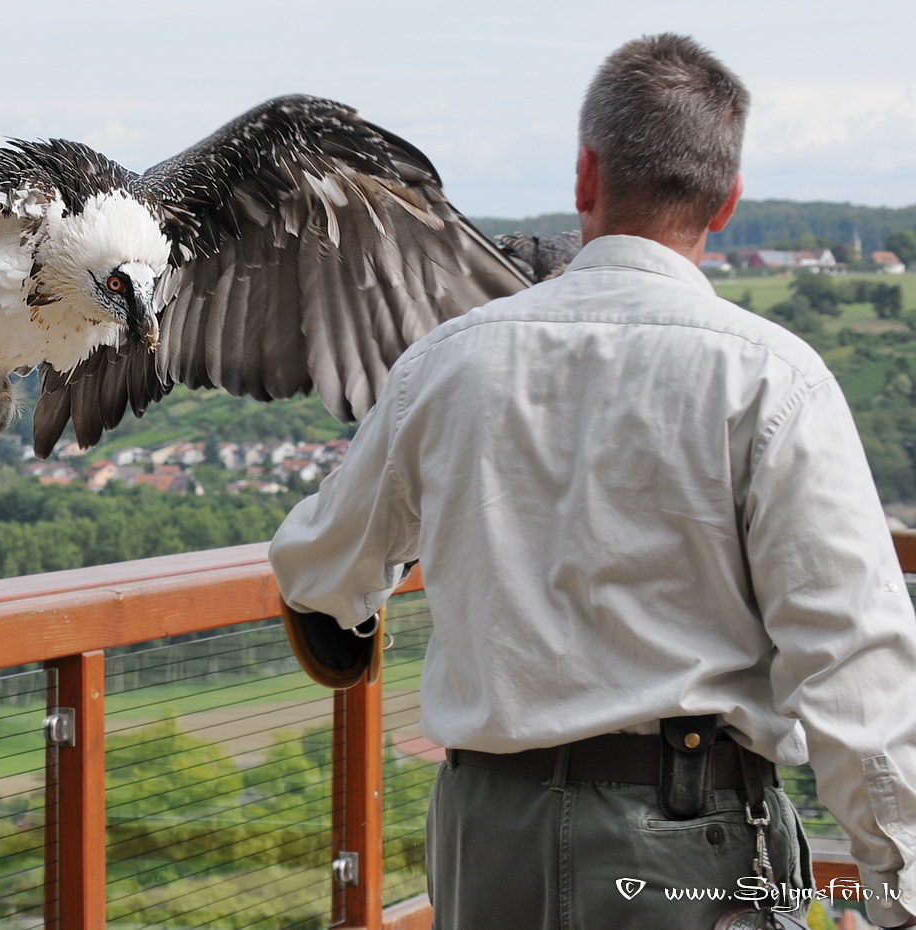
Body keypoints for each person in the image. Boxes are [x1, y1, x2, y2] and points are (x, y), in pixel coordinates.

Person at [269, 33, 916, 929]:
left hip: (486, 844)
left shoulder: (446, 367)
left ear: (584, 176)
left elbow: (317, 577)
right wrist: (902, 894)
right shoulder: (773, 378)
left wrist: (361, 608)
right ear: (725, 203)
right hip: (694, 850)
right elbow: (851, 656)